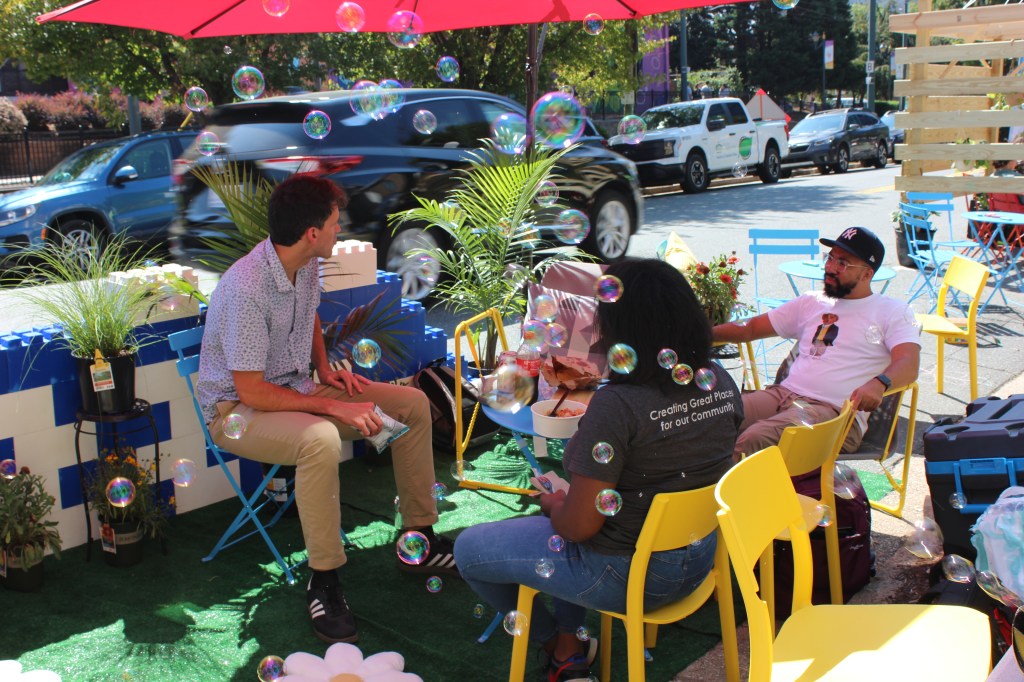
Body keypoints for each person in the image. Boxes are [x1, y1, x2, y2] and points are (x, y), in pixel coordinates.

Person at [195, 174, 455, 645]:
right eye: (336, 224)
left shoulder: (305, 263)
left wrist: (326, 367)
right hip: (237, 412)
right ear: (311, 232)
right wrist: (331, 408)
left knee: (414, 405)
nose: (342, 231)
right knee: (322, 439)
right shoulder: (246, 288)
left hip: (296, 390)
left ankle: (418, 537)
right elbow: (252, 392)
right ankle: (325, 579)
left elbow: (309, 311)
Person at [454, 259, 742, 682]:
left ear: (623, 329)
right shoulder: (718, 378)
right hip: (699, 564)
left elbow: (577, 528)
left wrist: (554, 504)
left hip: (628, 577)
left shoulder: (617, 406)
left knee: (468, 550)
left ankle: (557, 645)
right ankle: (571, 638)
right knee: (561, 529)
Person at [714, 227, 921, 460]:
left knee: (753, 440)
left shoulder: (893, 311)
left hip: (835, 414)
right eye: (830, 258)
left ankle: (715, 496)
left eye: (843, 263)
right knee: (715, 414)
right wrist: (698, 335)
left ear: (867, 274)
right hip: (783, 395)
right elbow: (750, 329)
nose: (830, 268)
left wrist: (880, 383)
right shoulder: (811, 302)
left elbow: (909, 363)